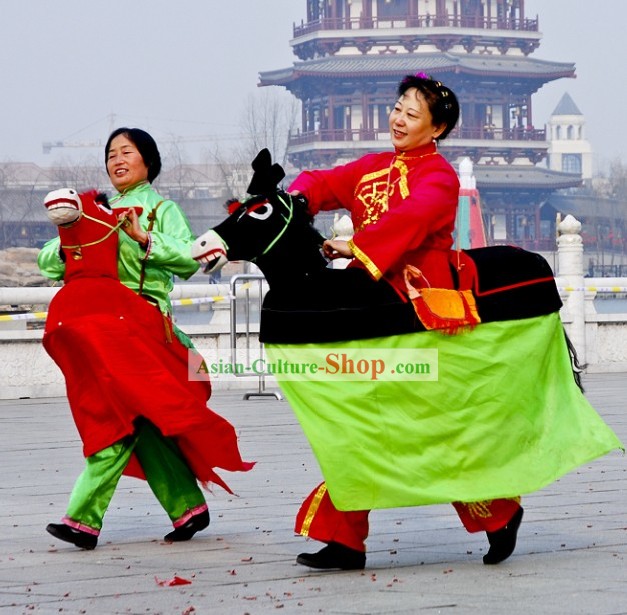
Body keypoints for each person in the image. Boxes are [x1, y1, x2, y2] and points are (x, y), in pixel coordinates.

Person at [287, 74, 523, 570]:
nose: (398, 119)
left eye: (412, 114)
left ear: (436, 130)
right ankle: (346, 540)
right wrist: (298, 199)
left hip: (417, 304)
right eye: (398, 108)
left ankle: (499, 512)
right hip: (368, 299)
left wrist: (357, 246)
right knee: (358, 420)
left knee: (429, 424)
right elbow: (328, 180)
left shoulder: (440, 176)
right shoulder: (372, 166)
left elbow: (412, 220)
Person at [38, 128, 252, 550]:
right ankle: (188, 507)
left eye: (127, 152)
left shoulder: (162, 209)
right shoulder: (90, 210)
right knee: (136, 417)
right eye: (111, 154)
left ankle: (83, 518)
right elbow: (49, 262)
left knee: (121, 418)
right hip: (104, 330)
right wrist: (68, 234)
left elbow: (190, 258)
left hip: (145, 326)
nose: (117, 160)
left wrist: (144, 238)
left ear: (148, 161)